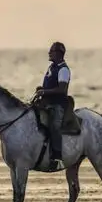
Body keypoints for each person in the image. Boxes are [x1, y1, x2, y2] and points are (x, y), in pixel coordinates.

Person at [34, 41, 70, 171]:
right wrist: (42, 89)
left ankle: (57, 158)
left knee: (55, 126)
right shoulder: (52, 68)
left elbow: (62, 89)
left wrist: (44, 91)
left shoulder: (63, 69)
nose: (49, 53)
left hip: (57, 105)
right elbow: (51, 86)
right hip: (46, 103)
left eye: (52, 51)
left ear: (59, 54)